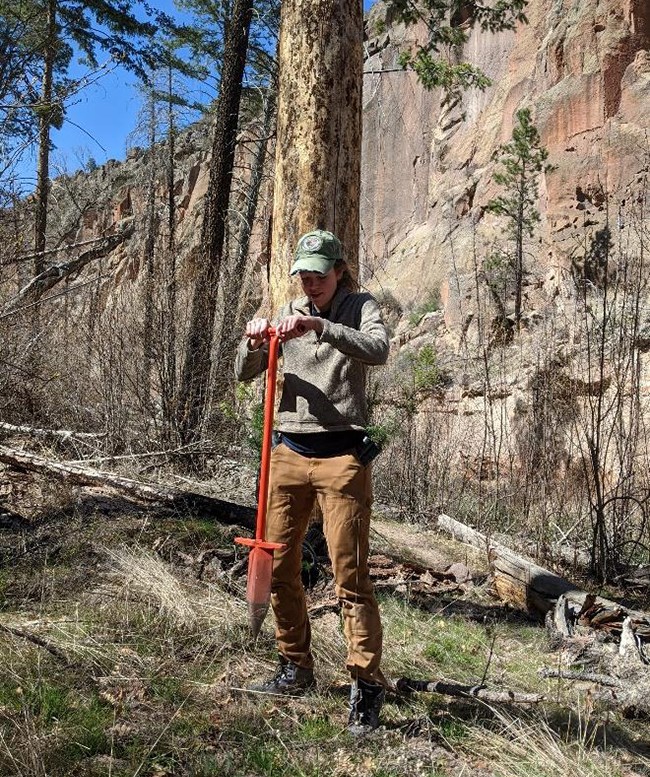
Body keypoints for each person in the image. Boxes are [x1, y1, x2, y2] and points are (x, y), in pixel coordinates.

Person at [234, 229, 390, 735]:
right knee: (279, 565)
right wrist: (256, 340)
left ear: (339, 271)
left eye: (320, 274)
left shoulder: (360, 306)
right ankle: (294, 665)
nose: (311, 282)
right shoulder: (287, 308)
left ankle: (366, 688)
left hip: (342, 457)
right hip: (287, 453)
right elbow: (244, 372)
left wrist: (319, 327)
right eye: (304, 274)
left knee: (351, 577)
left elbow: (378, 349)